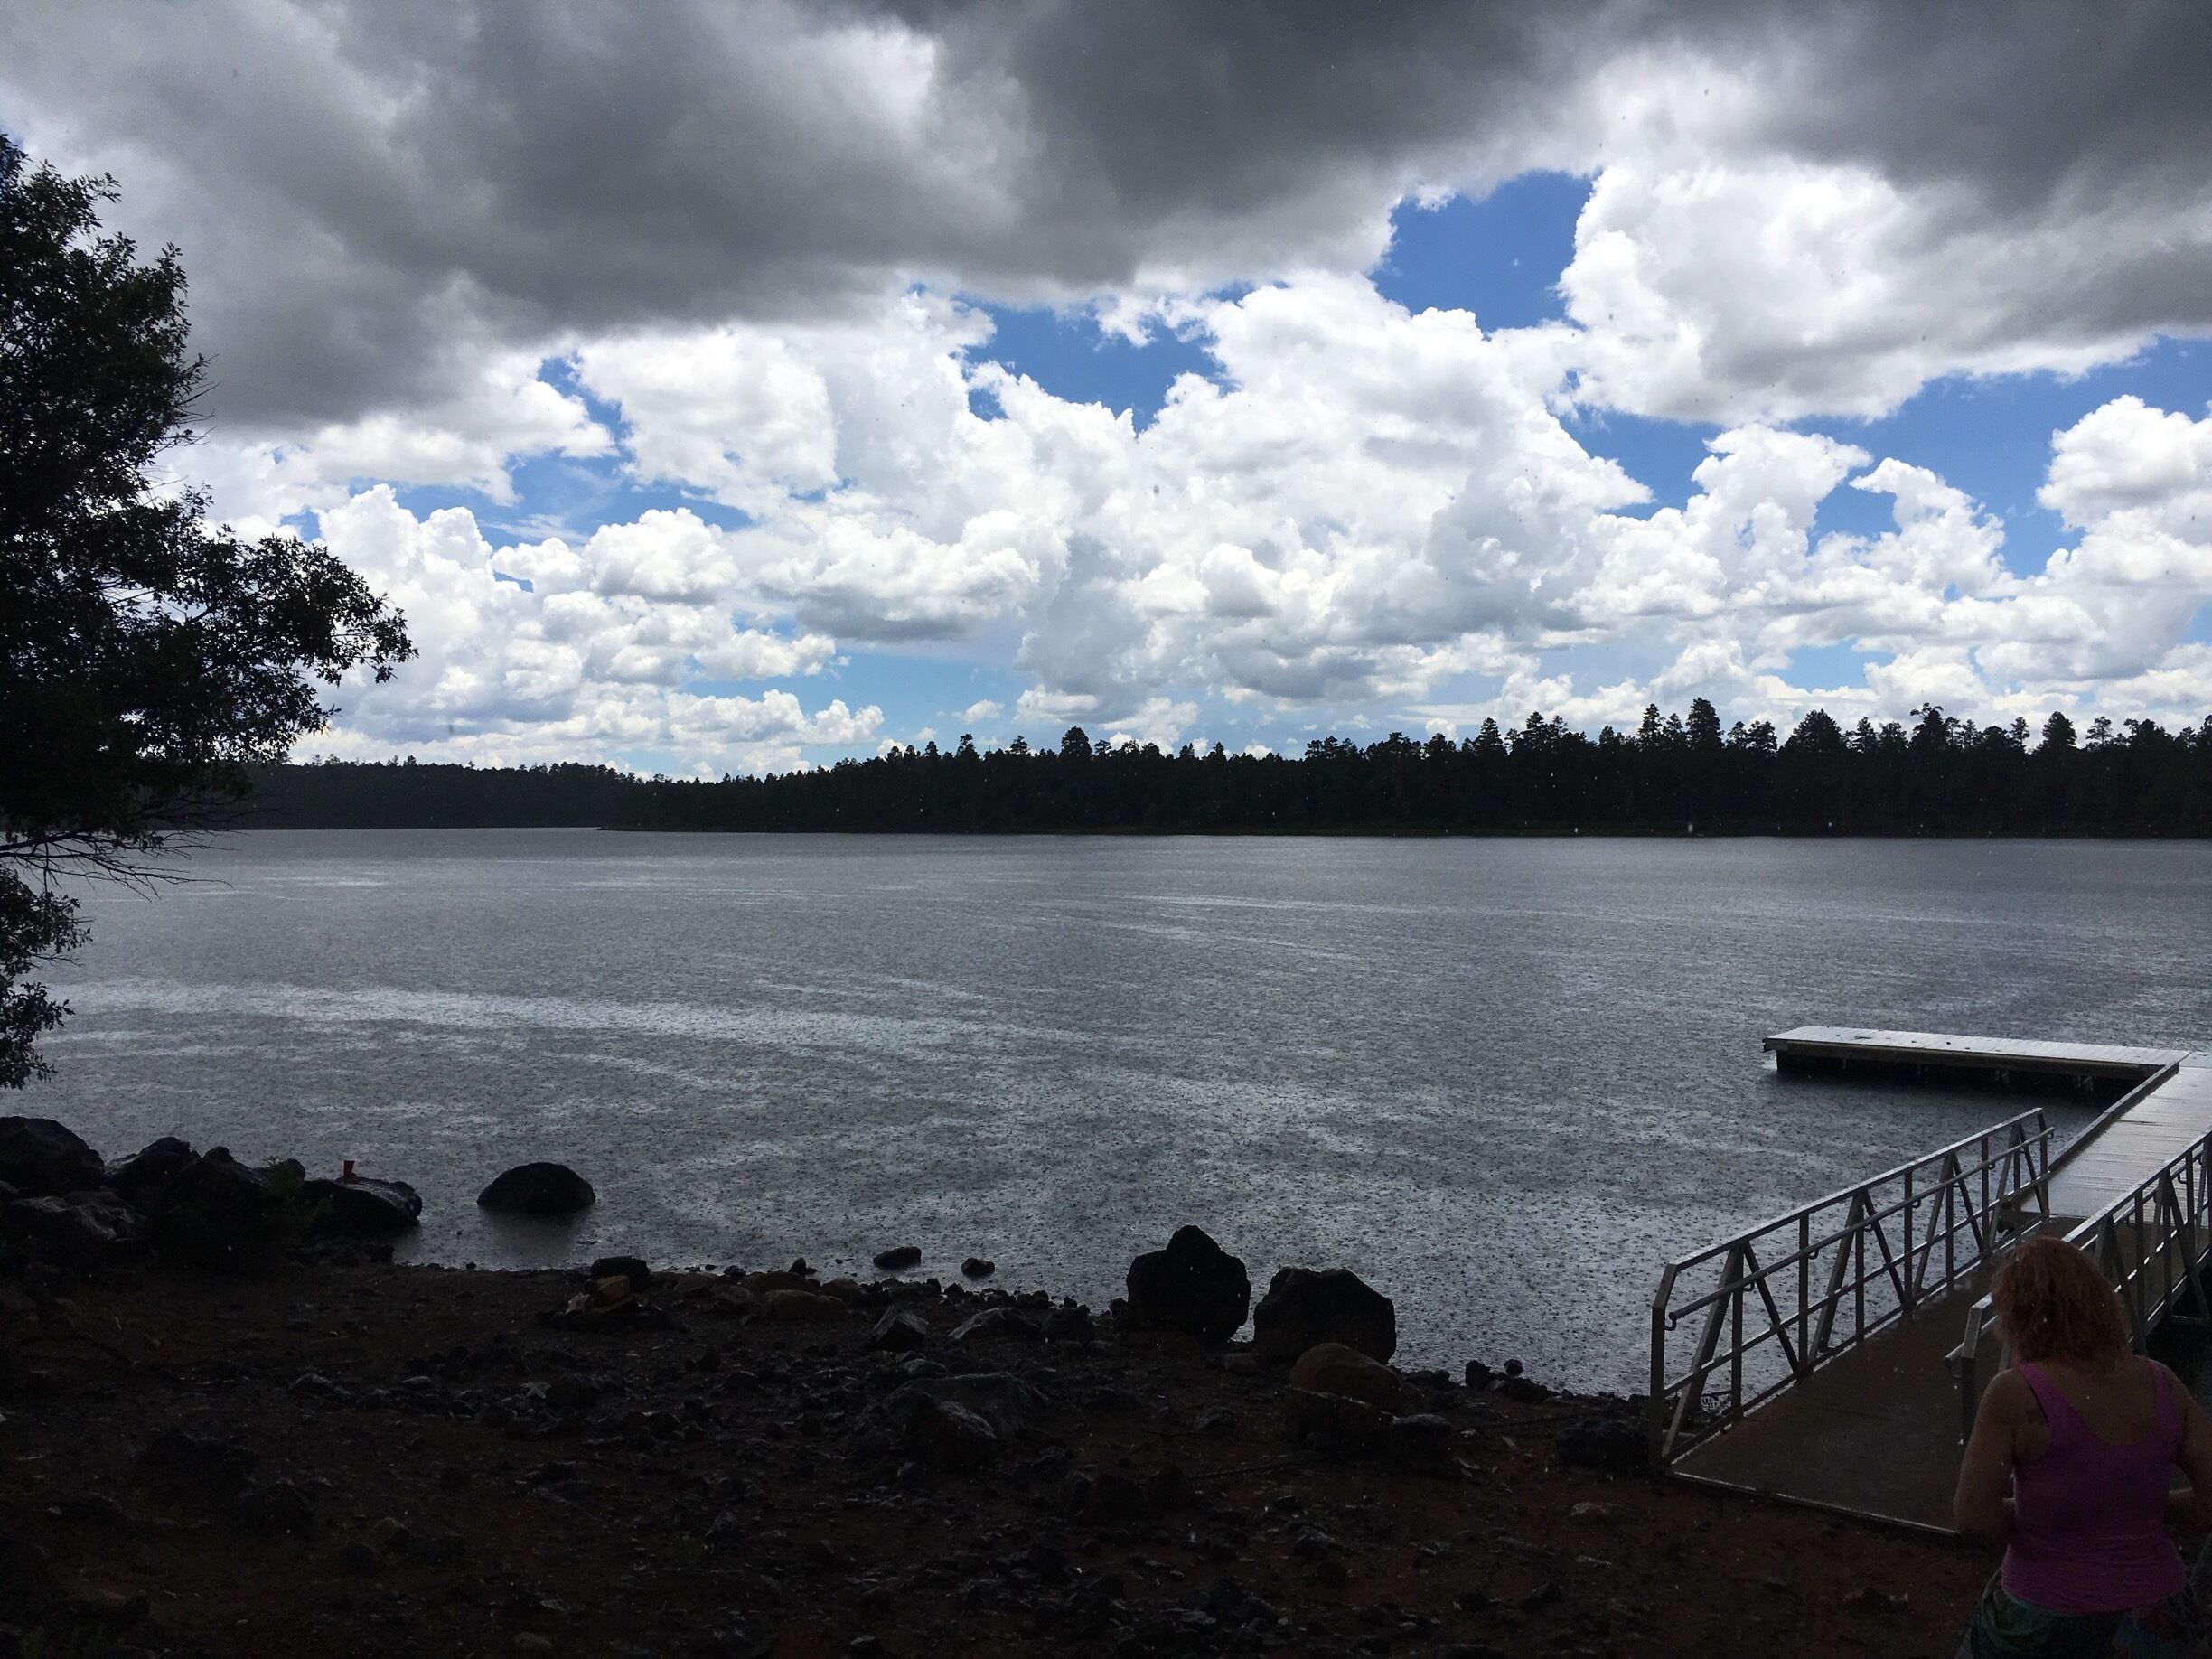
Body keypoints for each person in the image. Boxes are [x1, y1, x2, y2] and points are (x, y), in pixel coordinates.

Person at [1954, 1235, 2212, 1656]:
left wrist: (2048, 1518)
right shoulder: (2162, 1382)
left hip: (2044, 1616)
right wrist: (2141, 1508)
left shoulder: (2015, 1394)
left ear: (2017, 1315)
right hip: (2155, 1618)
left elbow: (1973, 1518)